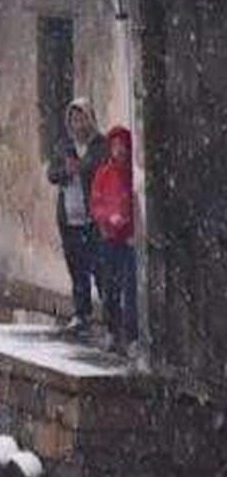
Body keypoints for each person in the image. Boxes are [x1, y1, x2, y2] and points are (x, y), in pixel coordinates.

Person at [47, 98, 107, 335]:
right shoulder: (64, 146)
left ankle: (111, 318)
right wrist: (65, 171)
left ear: (90, 119)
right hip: (69, 218)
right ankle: (82, 314)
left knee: (101, 270)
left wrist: (81, 168)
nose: (78, 123)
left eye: (82, 118)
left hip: (93, 218)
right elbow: (52, 174)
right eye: (73, 119)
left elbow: (101, 170)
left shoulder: (99, 145)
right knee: (77, 268)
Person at [91, 124, 140, 357]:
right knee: (109, 287)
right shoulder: (104, 173)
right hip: (109, 238)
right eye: (115, 146)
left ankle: (131, 336)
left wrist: (127, 222)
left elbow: (135, 203)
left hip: (128, 240)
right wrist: (108, 219)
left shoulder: (132, 174)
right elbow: (97, 203)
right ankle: (112, 330)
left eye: (123, 146)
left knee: (129, 289)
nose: (119, 150)